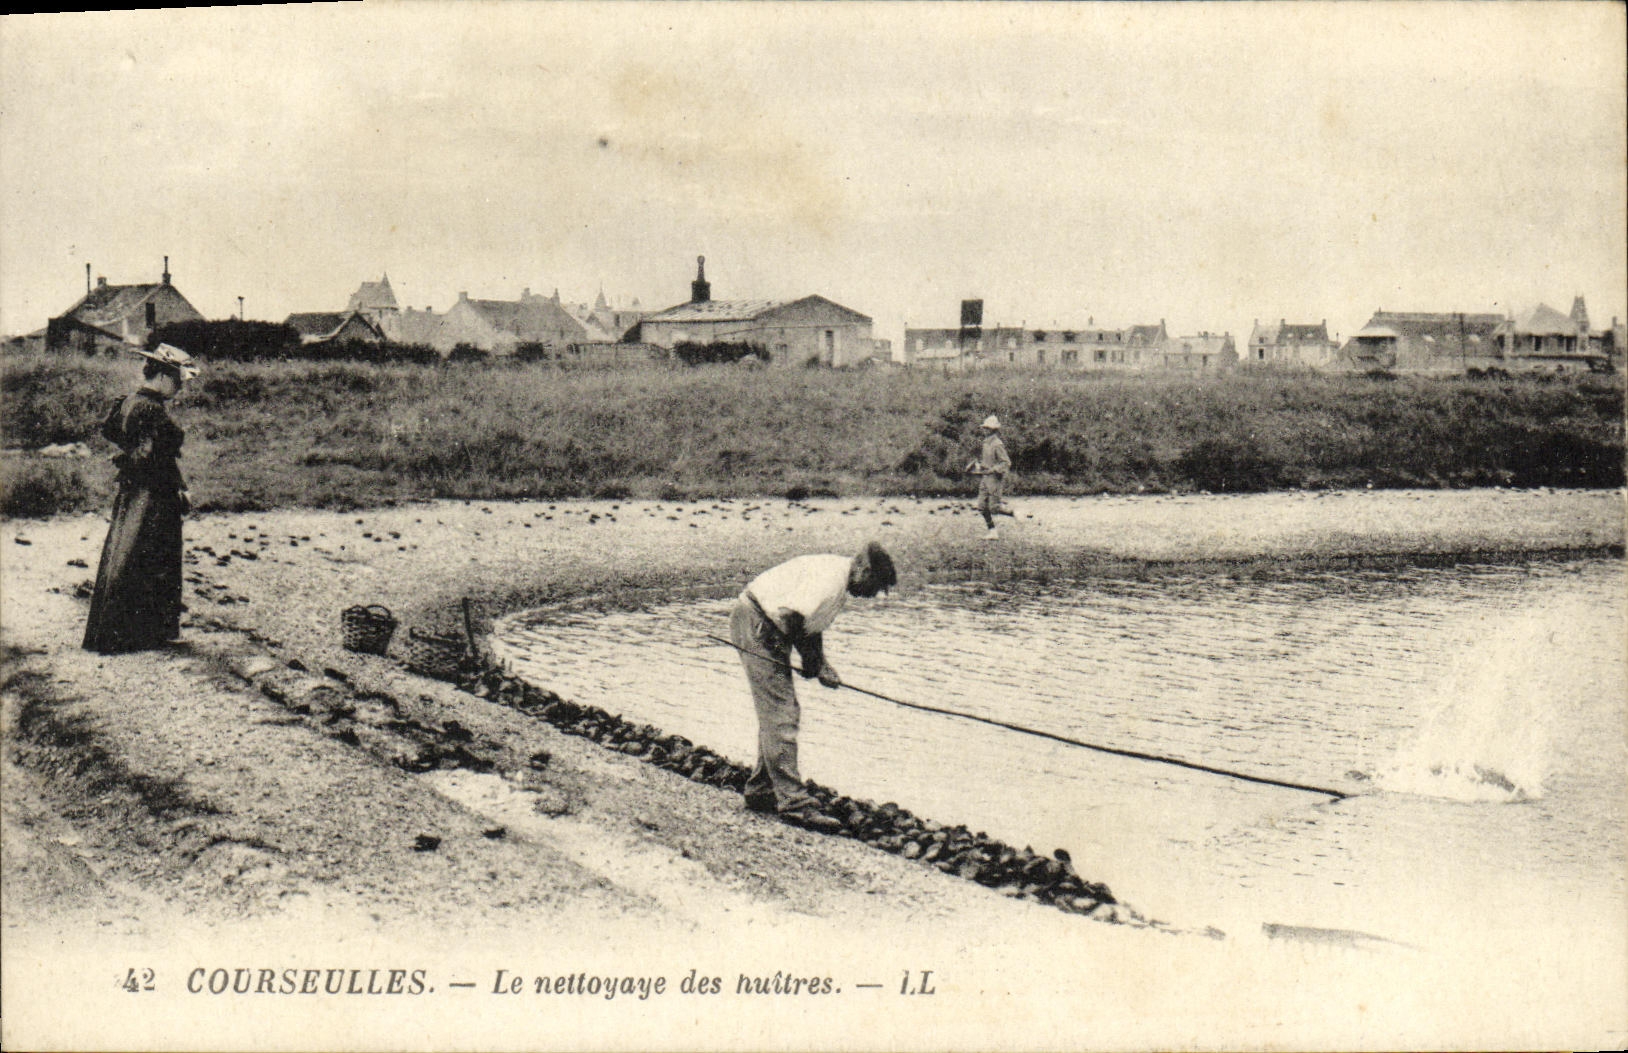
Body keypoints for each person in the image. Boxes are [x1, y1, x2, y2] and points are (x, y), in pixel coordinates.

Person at [729, 541, 898, 831]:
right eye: (875, 585)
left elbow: (809, 625)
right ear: (863, 569)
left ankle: (761, 791)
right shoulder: (830, 580)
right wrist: (814, 663)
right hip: (757, 623)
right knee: (781, 713)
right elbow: (792, 616)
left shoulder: (838, 581)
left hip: (766, 623)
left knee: (778, 711)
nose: (872, 595)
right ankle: (793, 804)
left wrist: (819, 663)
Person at [83, 343, 200, 654]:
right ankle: (146, 634)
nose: (178, 389)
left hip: (134, 489)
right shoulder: (152, 409)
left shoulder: (128, 402)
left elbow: (114, 434)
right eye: (177, 381)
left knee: (127, 552)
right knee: (156, 555)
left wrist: (132, 452)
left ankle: (120, 632)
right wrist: (180, 487)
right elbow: (158, 458)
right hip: (154, 491)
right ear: (162, 376)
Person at [967, 414, 1012, 539]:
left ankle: (1013, 513)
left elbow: (1006, 462)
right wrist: (978, 467)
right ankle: (992, 531)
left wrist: (994, 469)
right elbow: (986, 462)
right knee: (981, 506)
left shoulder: (997, 444)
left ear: (993, 430)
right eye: (984, 428)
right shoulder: (985, 443)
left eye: (987, 428)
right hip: (985, 478)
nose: (984, 430)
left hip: (995, 479)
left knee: (994, 507)